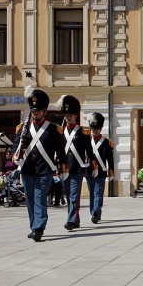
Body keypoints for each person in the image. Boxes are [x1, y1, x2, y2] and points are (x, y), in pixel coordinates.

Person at [11, 86, 68, 241]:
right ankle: (33, 225)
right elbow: (15, 146)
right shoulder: (23, 128)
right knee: (30, 199)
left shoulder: (53, 129)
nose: (35, 113)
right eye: (33, 110)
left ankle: (39, 227)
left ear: (44, 111)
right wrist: (15, 155)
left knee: (40, 197)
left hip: (45, 169)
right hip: (27, 169)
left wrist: (63, 167)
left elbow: (61, 151)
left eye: (37, 111)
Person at [57, 95, 97, 231]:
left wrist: (93, 164)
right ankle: (76, 218)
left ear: (75, 116)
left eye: (71, 115)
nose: (69, 118)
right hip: (64, 168)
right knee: (69, 196)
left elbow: (89, 150)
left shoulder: (83, 132)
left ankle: (71, 220)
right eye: (67, 115)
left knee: (74, 195)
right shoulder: (60, 133)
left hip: (78, 168)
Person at [86, 112, 114, 223]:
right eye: (93, 129)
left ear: (100, 129)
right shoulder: (87, 141)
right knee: (92, 193)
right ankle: (94, 212)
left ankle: (96, 212)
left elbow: (110, 159)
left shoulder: (107, 143)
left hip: (101, 171)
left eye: (96, 129)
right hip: (89, 171)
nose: (95, 131)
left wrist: (111, 171)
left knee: (98, 193)